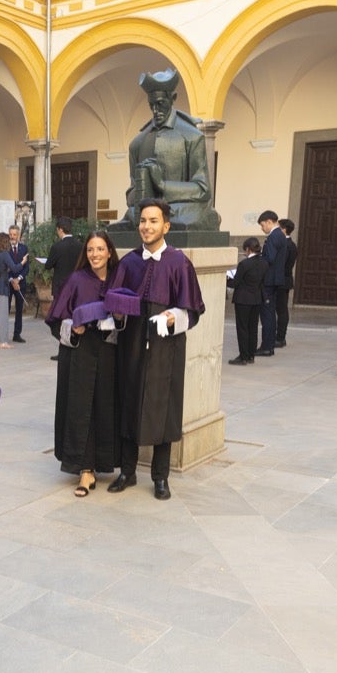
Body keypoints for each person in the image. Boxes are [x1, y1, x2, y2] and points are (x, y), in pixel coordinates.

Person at [105, 199, 205, 501]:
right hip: (132, 345)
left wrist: (174, 316)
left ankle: (160, 476)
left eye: (153, 221)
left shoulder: (179, 263)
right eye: (143, 220)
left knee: (164, 408)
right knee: (128, 402)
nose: (146, 226)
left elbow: (194, 310)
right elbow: (114, 305)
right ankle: (127, 470)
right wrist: (118, 315)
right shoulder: (128, 263)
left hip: (166, 348)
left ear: (166, 226)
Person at [50, 229, 123, 496]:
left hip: (109, 353)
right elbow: (56, 319)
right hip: (80, 354)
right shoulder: (76, 280)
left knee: (106, 406)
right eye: (91, 249)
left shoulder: (119, 278)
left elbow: (130, 314)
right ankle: (85, 470)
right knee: (82, 409)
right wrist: (73, 328)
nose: (95, 254)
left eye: (100, 249)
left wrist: (118, 318)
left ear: (110, 252)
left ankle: (104, 461)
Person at [114, 68, 220, 230]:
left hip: (180, 209)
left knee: (193, 217)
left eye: (160, 104)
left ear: (172, 99)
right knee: (132, 216)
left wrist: (162, 185)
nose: (155, 111)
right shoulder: (138, 143)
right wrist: (143, 186)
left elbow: (203, 189)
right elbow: (131, 196)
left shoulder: (191, 136)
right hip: (145, 210)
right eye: (151, 105)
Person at [226, 236, 266, 366]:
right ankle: (251, 355)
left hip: (243, 299)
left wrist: (227, 279)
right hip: (256, 298)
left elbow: (236, 283)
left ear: (248, 250)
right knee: (253, 327)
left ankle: (243, 356)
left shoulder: (244, 264)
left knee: (242, 328)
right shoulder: (264, 262)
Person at [257, 211, 285, 355]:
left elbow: (270, 259)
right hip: (275, 279)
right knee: (270, 313)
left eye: (262, 225)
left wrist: (257, 261)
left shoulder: (274, 236)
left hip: (269, 280)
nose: (262, 229)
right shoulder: (280, 235)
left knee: (267, 314)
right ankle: (269, 345)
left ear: (269, 222)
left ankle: (267, 346)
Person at [45, 216, 84, 307]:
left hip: (60, 285)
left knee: (59, 312)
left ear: (61, 229)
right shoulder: (80, 245)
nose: (57, 232)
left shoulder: (57, 246)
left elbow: (48, 266)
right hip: (75, 284)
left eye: (57, 230)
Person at [275, 219, 298, 347]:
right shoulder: (290, 244)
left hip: (282, 281)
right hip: (285, 280)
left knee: (281, 310)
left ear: (284, 229)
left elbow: (281, 264)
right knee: (281, 309)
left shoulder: (287, 245)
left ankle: (280, 337)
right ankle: (279, 336)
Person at [8, 224, 30, 343]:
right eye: (10, 234)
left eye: (14, 234)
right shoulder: (5, 248)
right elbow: (5, 267)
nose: (12, 237)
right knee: (5, 310)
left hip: (21, 283)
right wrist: (11, 280)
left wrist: (19, 279)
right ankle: (2, 334)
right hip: (8, 283)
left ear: (19, 235)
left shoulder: (24, 248)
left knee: (19, 309)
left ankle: (17, 334)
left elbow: (27, 267)